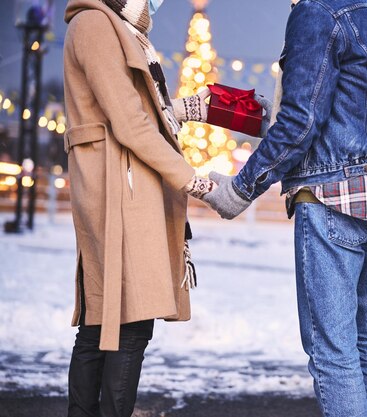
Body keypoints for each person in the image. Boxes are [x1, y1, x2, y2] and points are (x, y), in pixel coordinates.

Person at [204, 1, 367, 416]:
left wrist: (240, 190)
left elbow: (301, 121)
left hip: (332, 196)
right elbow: (350, 113)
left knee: (333, 350)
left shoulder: (317, 11)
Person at [62, 0, 226, 415]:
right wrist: (195, 182)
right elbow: (129, 121)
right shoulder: (96, 24)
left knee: (106, 321)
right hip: (118, 187)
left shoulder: (116, 26)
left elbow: (142, 113)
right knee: (127, 322)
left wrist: (192, 108)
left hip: (126, 184)